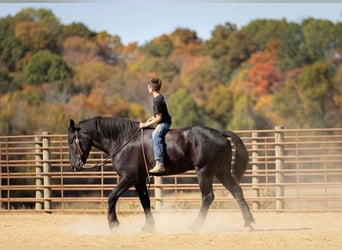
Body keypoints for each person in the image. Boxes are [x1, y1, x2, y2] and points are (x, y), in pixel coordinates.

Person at [139, 77, 172, 174]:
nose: (148, 88)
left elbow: (158, 118)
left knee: (155, 135)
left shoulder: (157, 100)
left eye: (148, 87)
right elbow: (158, 115)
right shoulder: (159, 97)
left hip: (164, 123)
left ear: (151, 88)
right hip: (164, 121)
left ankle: (159, 163)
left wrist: (145, 124)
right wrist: (150, 120)